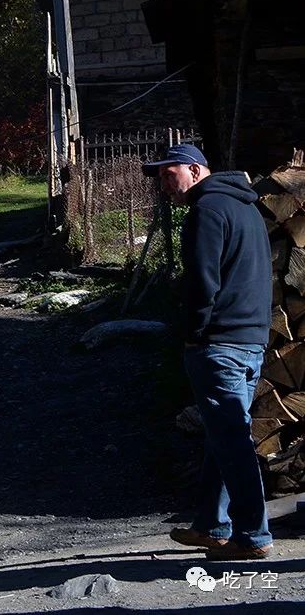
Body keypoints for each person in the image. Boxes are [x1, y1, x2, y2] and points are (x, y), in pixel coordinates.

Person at [142, 143, 273, 560]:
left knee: (231, 441)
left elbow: (203, 281)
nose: (164, 184)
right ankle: (212, 526)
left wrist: (193, 333)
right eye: (160, 177)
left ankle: (253, 535)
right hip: (251, 338)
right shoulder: (246, 207)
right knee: (224, 435)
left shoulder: (207, 211)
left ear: (196, 170)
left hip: (219, 343)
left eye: (169, 173)